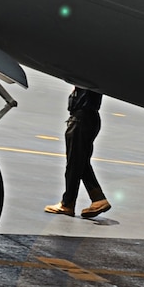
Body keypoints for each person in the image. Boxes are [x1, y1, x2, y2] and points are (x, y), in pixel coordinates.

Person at [44, 86, 111, 219]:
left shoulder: (87, 77)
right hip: (86, 118)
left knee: (74, 164)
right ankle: (98, 199)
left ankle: (67, 204)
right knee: (81, 163)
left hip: (81, 119)